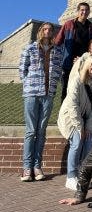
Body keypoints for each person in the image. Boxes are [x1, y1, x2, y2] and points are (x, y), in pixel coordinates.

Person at [19, 22, 63, 182]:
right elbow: (22, 68)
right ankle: (26, 167)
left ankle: (37, 166)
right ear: (40, 31)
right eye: (45, 29)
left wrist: (53, 85)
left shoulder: (57, 50)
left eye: (50, 30)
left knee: (41, 131)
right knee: (31, 131)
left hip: (48, 94)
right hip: (31, 94)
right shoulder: (30, 48)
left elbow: (57, 69)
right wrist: (28, 84)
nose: (47, 31)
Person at [57, 54, 92, 190]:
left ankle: (82, 174)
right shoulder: (77, 80)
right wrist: (80, 127)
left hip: (87, 119)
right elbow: (72, 105)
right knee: (77, 142)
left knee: (89, 141)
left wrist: (89, 126)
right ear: (87, 65)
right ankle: (71, 177)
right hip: (71, 117)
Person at [55, 2, 92, 102]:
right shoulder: (68, 24)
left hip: (85, 63)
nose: (84, 12)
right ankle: (64, 116)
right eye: (82, 10)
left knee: (84, 91)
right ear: (78, 11)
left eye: (86, 10)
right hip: (69, 64)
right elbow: (58, 42)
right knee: (66, 92)